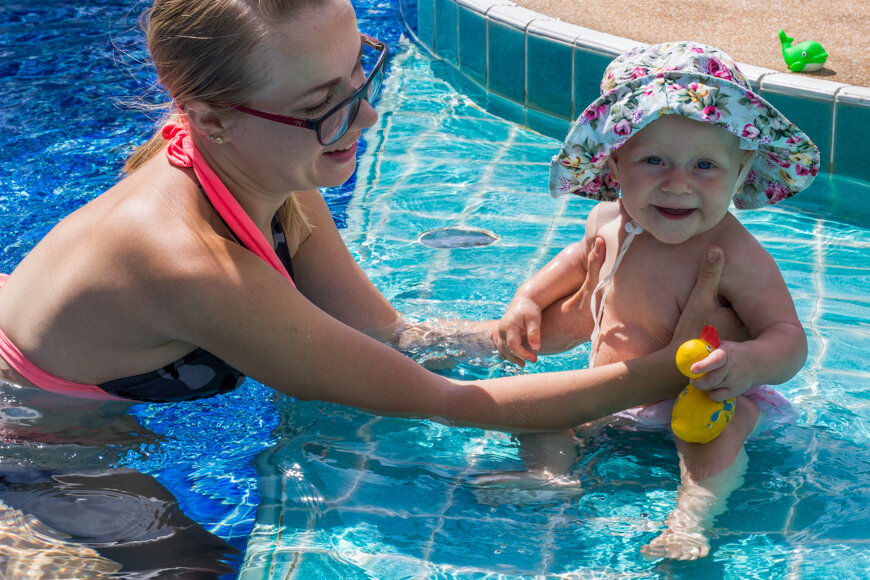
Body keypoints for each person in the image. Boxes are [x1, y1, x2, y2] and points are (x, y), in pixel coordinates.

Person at [0, 0, 737, 572]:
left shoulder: (279, 168)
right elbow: (449, 404)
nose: (369, 115)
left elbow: (392, 341)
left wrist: (569, 312)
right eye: (326, 104)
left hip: (75, 376)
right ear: (211, 117)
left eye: (362, 74)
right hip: (34, 435)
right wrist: (669, 364)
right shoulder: (190, 264)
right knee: (191, 571)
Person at [496, 42, 819, 560]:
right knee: (538, 405)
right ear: (615, 161)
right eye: (653, 160)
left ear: (742, 169)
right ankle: (548, 476)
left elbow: (789, 338)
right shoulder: (607, 219)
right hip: (614, 396)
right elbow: (575, 264)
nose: (677, 183)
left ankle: (691, 519)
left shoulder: (734, 253)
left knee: (719, 431)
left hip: (707, 399)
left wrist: (745, 361)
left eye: (706, 165)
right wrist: (527, 300)